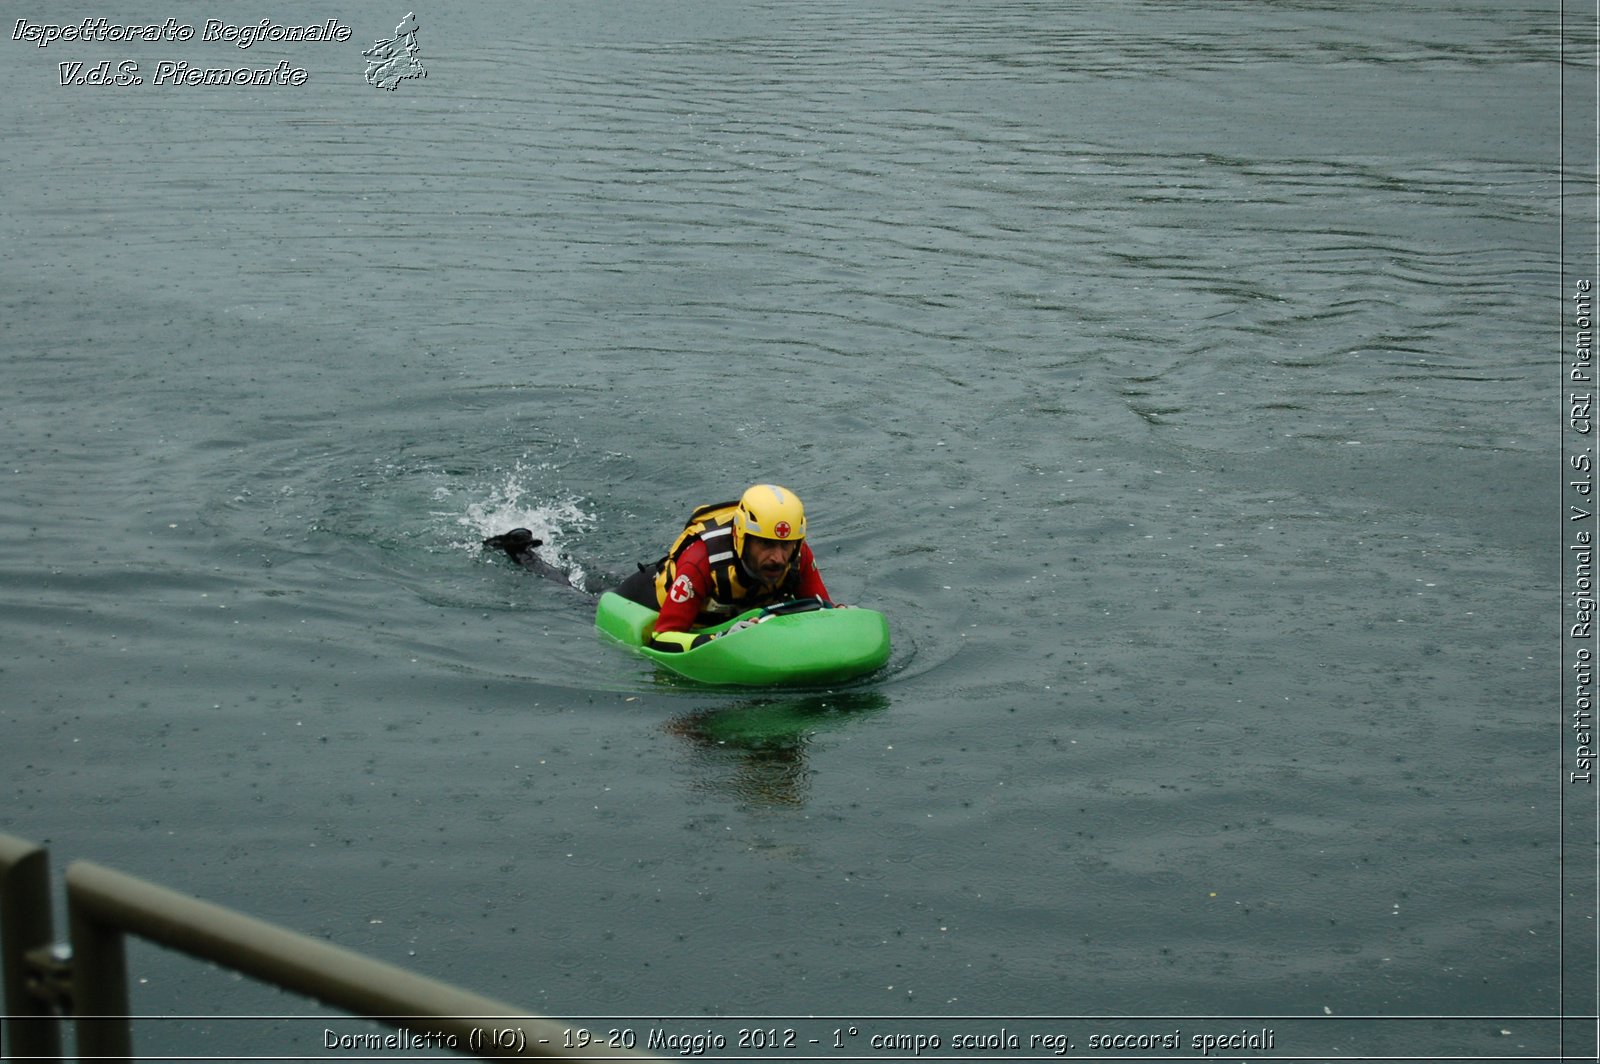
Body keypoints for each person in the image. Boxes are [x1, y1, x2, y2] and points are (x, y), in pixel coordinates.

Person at [615, 484, 832, 652]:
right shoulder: (702, 561)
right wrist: (722, 639)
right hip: (647, 601)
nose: (778, 558)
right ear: (741, 538)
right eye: (765, 544)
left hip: (732, 618)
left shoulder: (798, 556)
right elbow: (661, 638)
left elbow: (822, 611)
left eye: (786, 545)